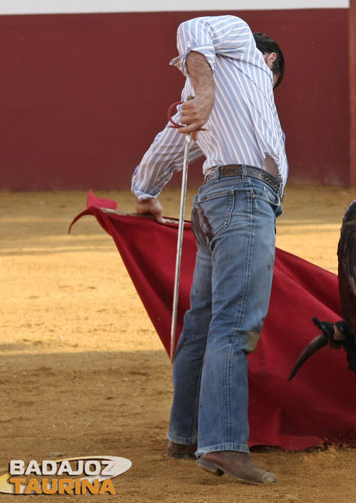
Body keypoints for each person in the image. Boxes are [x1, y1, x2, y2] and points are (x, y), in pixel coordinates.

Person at [131, 15, 287, 485]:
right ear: (271, 61)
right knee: (232, 324)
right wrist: (206, 91)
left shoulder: (197, 101)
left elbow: (165, 148)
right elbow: (192, 28)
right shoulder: (241, 45)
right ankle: (222, 444)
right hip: (245, 200)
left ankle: (184, 433)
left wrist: (144, 192)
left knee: (201, 322)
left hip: (215, 203)